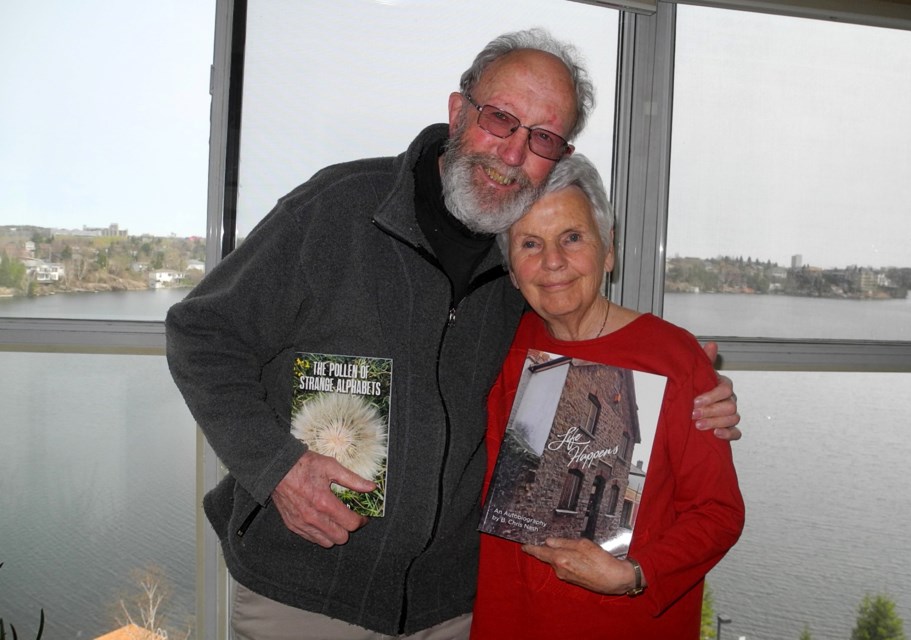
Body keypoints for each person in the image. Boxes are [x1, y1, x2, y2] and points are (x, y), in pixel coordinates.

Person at [165, 28, 740, 639]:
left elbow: (591, 345)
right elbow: (202, 333)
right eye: (501, 119)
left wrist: (692, 384)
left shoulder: (515, 261)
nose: (514, 153)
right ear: (458, 110)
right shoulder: (340, 209)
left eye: (542, 137)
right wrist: (277, 467)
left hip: (453, 609)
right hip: (304, 591)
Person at [470, 153, 745, 639]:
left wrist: (636, 573)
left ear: (609, 250)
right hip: (510, 620)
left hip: (628, 624)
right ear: (511, 268)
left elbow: (718, 512)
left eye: (572, 238)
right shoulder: (497, 345)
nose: (552, 262)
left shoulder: (673, 356)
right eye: (530, 244)